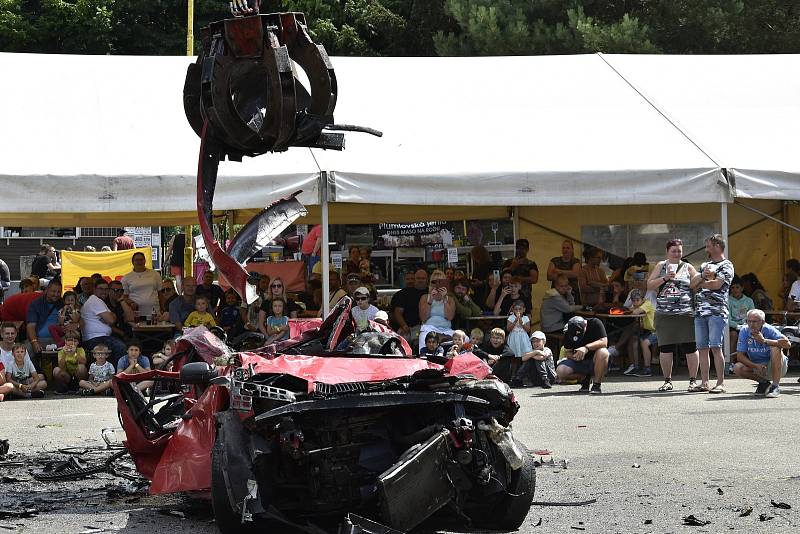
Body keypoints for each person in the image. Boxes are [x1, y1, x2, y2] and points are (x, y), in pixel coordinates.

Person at [647, 238, 700, 393]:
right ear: (667, 252)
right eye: (674, 251)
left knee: (690, 347)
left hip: (685, 313)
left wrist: (703, 276)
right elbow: (649, 285)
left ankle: (693, 381)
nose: (677, 254)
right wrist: (665, 277)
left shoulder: (688, 267)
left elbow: (697, 282)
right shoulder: (660, 266)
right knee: (665, 348)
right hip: (664, 314)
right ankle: (667, 381)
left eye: (679, 251)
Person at [690, 234, 734, 394]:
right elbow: (692, 285)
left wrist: (702, 283)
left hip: (716, 312)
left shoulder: (727, 265)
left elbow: (717, 285)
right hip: (700, 312)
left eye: (708, 245)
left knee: (716, 347)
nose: (706, 249)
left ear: (716, 246)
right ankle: (705, 382)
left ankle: (720, 383)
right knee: (702, 348)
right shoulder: (705, 265)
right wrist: (702, 276)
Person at [732, 309, 791, 398]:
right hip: (758, 367)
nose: (751, 324)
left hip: (776, 366)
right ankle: (764, 383)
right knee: (737, 368)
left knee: (775, 348)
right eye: (749, 321)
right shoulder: (744, 331)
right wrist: (755, 366)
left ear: (762, 322)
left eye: (755, 321)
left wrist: (764, 341)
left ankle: (775, 386)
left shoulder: (769, 329)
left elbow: (788, 344)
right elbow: (740, 356)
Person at [555, 316, 609, 394]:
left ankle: (597, 385)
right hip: (580, 362)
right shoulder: (568, 331)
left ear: (585, 326)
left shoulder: (595, 323)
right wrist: (575, 357)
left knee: (603, 352)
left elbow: (604, 342)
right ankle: (584, 378)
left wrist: (586, 348)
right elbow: (567, 351)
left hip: (596, 361)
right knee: (560, 371)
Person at [80, 280, 127, 365]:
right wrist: (108, 318)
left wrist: (108, 317)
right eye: (101, 289)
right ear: (94, 289)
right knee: (121, 347)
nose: (104, 292)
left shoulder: (99, 301)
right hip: (95, 339)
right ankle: (119, 375)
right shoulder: (95, 300)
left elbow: (113, 316)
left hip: (99, 338)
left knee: (122, 345)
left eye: (106, 289)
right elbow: (111, 320)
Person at [418, 270, 456, 351]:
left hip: (446, 330)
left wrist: (444, 299)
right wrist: (431, 300)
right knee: (423, 338)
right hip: (429, 329)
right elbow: (423, 318)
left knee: (464, 339)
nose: (437, 285)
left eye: (440, 282)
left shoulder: (450, 299)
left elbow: (449, 317)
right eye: (434, 282)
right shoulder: (425, 297)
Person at [390, 269, 428, 346]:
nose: (420, 280)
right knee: (399, 344)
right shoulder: (403, 293)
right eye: (418, 278)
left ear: (427, 280)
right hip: (407, 328)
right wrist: (404, 326)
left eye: (423, 278)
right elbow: (397, 312)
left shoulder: (431, 292)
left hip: (425, 327)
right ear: (415, 279)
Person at [26, 278, 64, 354]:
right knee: (27, 351)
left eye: (58, 292)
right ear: (47, 290)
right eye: (53, 291)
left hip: (60, 339)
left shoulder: (63, 303)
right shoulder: (36, 304)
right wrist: (34, 342)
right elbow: (31, 325)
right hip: (40, 339)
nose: (56, 294)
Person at [121, 251, 161, 319]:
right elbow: (124, 297)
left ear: (145, 261)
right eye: (137, 260)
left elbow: (160, 293)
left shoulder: (155, 274)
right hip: (136, 314)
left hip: (154, 313)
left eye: (141, 260)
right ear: (133, 262)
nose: (139, 262)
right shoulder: (126, 277)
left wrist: (163, 308)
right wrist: (131, 303)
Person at [728, 277, 754, 361]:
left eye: (737, 287)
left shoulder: (749, 301)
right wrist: (737, 326)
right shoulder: (727, 300)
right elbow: (727, 319)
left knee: (753, 335)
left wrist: (746, 324)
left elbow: (753, 315)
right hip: (732, 326)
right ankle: (731, 362)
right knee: (734, 335)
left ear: (742, 288)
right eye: (733, 287)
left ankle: (750, 361)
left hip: (747, 325)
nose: (735, 290)